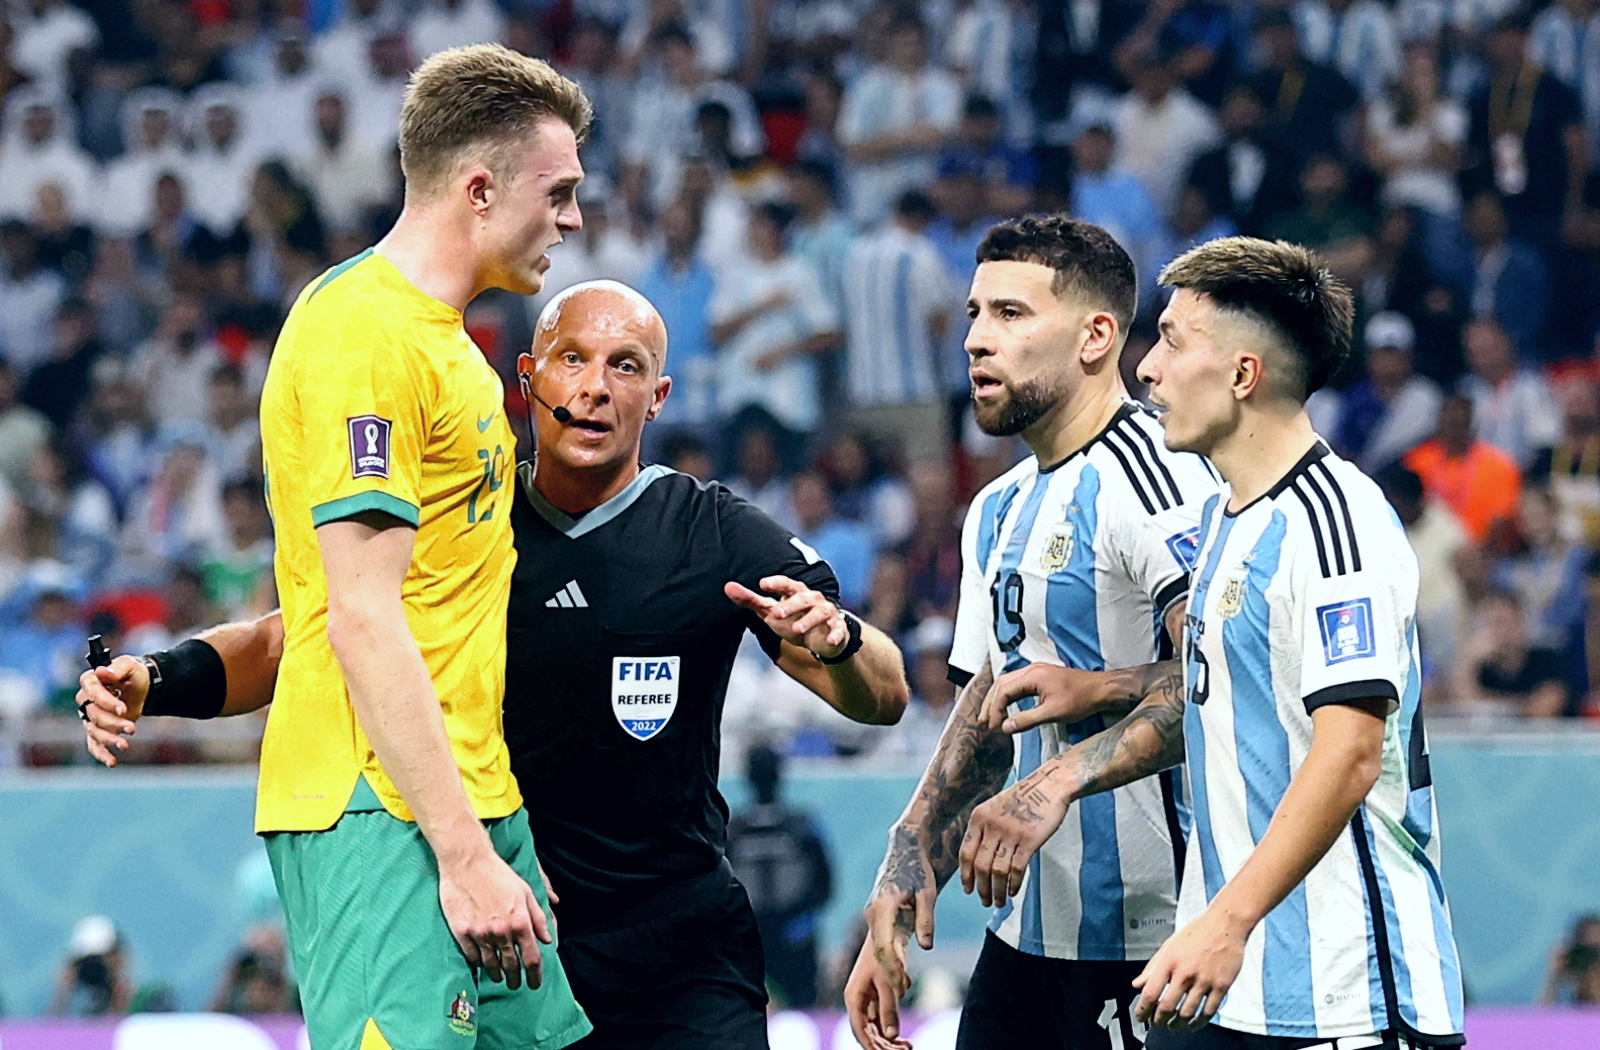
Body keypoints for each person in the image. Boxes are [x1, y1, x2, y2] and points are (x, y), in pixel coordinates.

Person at [81, 280, 911, 1050]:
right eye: (572, 359)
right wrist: (155, 678)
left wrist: (838, 639)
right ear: (527, 378)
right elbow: (295, 639)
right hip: (506, 928)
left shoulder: (710, 531)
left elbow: (885, 694)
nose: (593, 387)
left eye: (625, 367)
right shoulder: (467, 524)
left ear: (656, 398)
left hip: (682, 946)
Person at [95, 44, 597, 1050]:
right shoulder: (365, 335)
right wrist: (460, 854)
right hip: (380, 818)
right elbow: (362, 620)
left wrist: (169, 674)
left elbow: (321, 622)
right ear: (482, 187)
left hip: (463, 804)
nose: (575, 219)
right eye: (562, 191)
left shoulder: (449, 346)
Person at [963, 236, 1464, 1048]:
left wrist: (1225, 923)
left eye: (1172, 341)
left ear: (1242, 376)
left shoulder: (1339, 524)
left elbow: (1349, 756)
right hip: (1220, 985)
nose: (1149, 369)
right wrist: (1104, 687)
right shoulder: (1222, 522)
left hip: (1343, 995)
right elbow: (1225, 699)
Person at [845, 216, 1220, 1050]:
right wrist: (905, 869)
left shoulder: (1155, 474)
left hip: (1156, 942)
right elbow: (988, 713)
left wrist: (1055, 782)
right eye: (975, 314)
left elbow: (1224, 674)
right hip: (1025, 942)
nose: (977, 340)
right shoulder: (999, 507)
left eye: (1011, 315)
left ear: (1096, 336)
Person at [725, 743, 835, 1009]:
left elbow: (721, 891)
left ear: (747, 778)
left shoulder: (733, 831)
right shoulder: (802, 826)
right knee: (802, 1015)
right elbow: (825, 884)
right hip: (790, 939)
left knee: (745, 1012)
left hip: (753, 940)